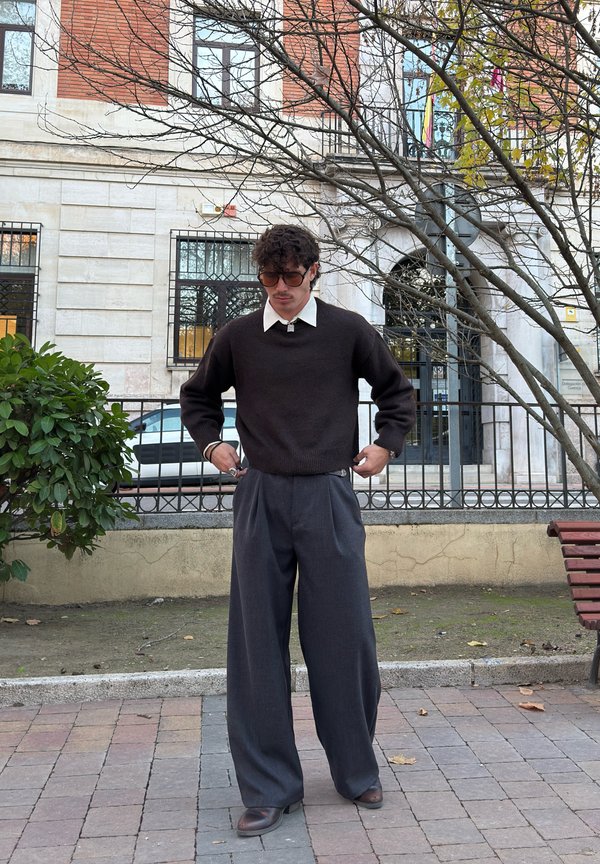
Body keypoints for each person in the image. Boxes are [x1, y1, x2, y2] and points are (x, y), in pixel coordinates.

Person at [180, 224, 415, 837]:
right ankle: (268, 786)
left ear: (314, 271)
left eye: (291, 276)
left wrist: (385, 448)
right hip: (260, 495)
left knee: (346, 635)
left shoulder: (348, 331)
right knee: (257, 645)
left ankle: (355, 769)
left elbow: (397, 393)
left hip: (329, 494)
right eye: (269, 278)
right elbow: (197, 397)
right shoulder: (236, 337)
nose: (280, 289)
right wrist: (212, 446)